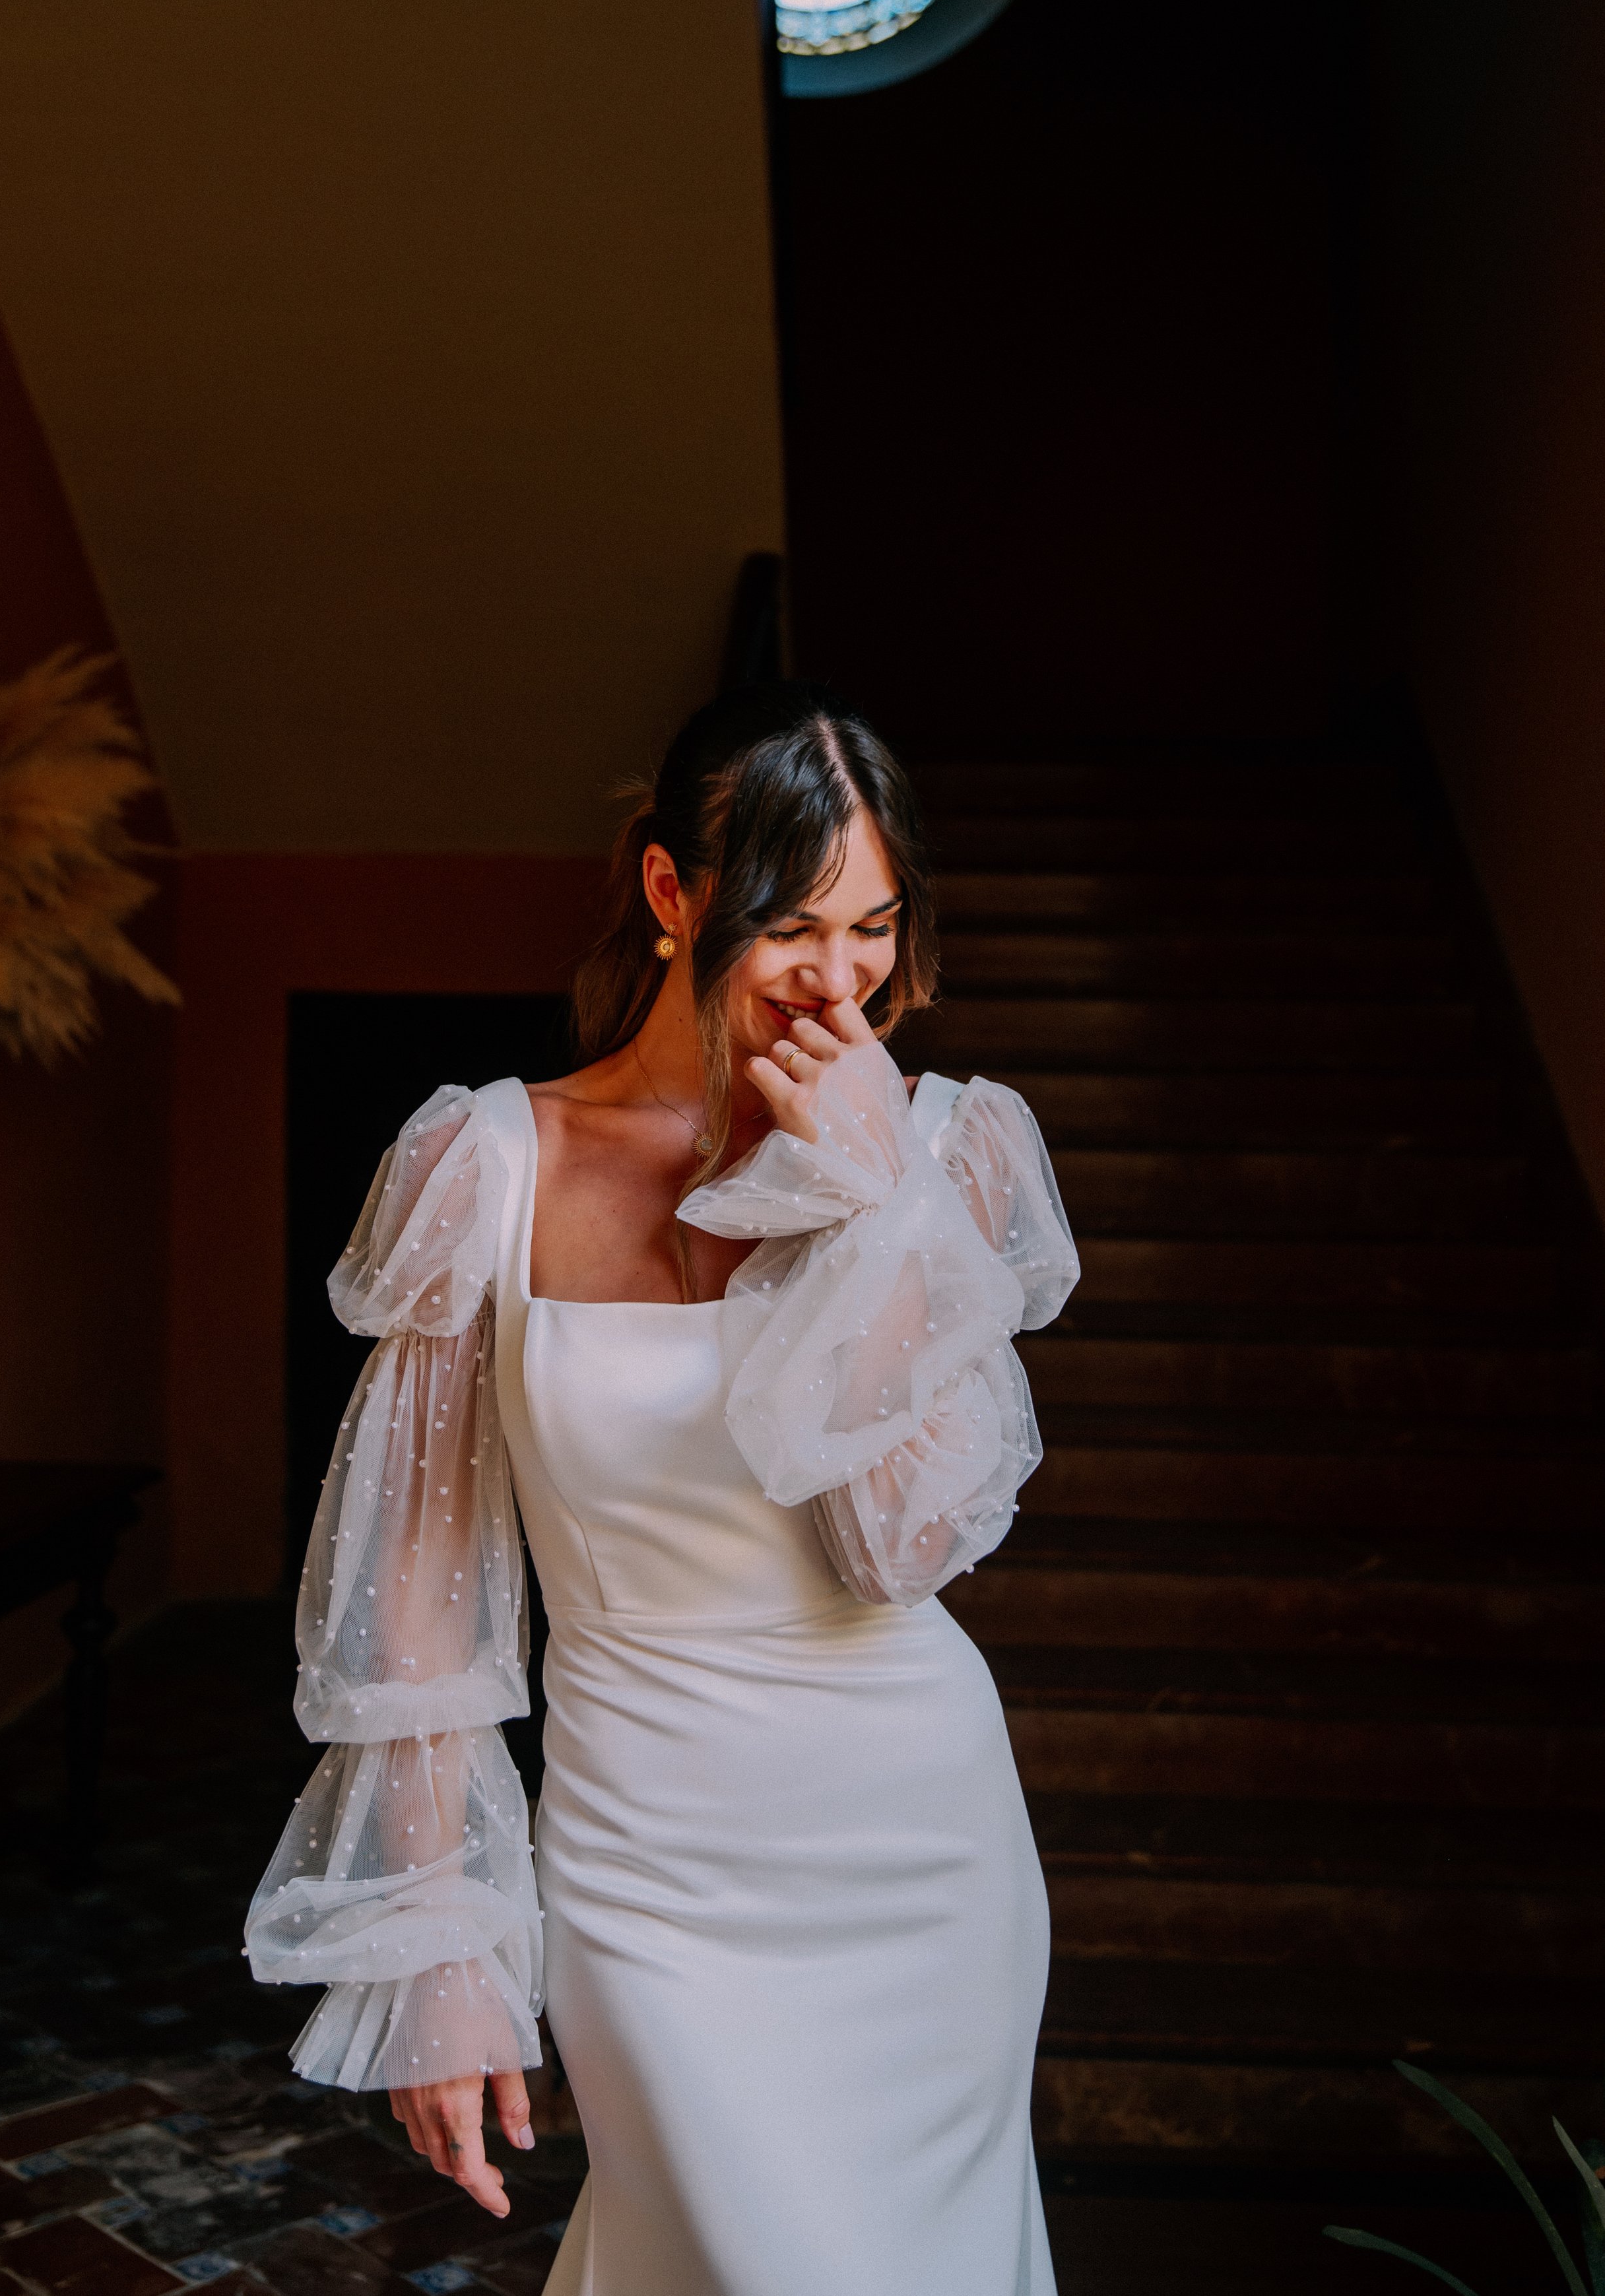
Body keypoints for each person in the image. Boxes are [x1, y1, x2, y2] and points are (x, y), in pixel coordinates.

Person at [246, 682, 1079, 2295]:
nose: (841, 983)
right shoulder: (483, 1165)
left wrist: (866, 1198)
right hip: (648, 1863)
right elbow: (411, 1607)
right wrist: (443, 1957)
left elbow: (896, 1543)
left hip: (921, 1854)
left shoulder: (942, 1153)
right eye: (792, 928)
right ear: (667, 893)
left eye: (875, 929)